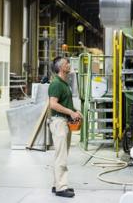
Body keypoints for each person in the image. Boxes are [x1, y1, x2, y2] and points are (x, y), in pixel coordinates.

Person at [48, 56, 82, 198]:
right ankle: (61, 188)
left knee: (60, 155)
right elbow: (53, 104)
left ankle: (57, 185)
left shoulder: (64, 83)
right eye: (67, 63)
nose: (69, 65)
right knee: (61, 156)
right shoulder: (56, 84)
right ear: (62, 67)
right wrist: (70, 112)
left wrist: (75, 111)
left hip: (64, 122)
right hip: (59, 122)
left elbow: (65, 102)